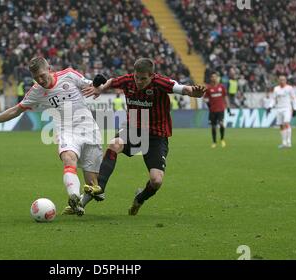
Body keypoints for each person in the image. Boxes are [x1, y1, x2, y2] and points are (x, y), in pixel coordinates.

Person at [0, 57, 104, 216]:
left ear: (49, 69)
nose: (40, 80)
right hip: (66, 131)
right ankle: (73, 195)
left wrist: (98, 86)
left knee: (92, 183)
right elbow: (16, 110)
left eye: (42, 75)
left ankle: (79, 203)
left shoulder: (69, 75)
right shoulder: (36, 91)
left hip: (89, 130)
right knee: (68, 158)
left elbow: (93, 86)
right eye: (36, 78)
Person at [82, 58, 206, 215]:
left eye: (143, 78)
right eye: (136, 77)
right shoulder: (128, 81)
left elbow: (183, 89)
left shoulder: (161, 83)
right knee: (114, 145)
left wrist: (195, 93)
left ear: (152, 75)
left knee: (156, 180)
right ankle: (100, 187)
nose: (139, 81)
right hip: (133, 129)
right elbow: (112, 81)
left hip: (156, 136)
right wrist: (101, 89)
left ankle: (139, 199)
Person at [204, 72, 230, 148]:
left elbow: (225, 97)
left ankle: (222, 139)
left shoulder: (221, 87)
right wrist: (208, 104)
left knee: (221, 124)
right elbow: (205, 98)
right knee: (213, 127)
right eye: (213, 77)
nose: (214, 78)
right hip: (212, 110)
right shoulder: (208, 88)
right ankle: (214, 142)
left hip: (221, 109)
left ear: (217, 78)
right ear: (211, 78)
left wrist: (228, 106)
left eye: (215, 77)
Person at [272, 75, 296, 148]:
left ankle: (289, 142)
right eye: (280, 80)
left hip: (287, 108)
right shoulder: (276, 89)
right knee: (281, 125)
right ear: (278, 81)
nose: (282, 81)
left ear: (286, 81)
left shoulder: (289, 88)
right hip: (279, 108)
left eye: (283, 80)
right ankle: (284, 142)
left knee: (286, 123)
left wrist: (295, 108)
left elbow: (294, 98)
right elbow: (273, 99)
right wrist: (270, 106)